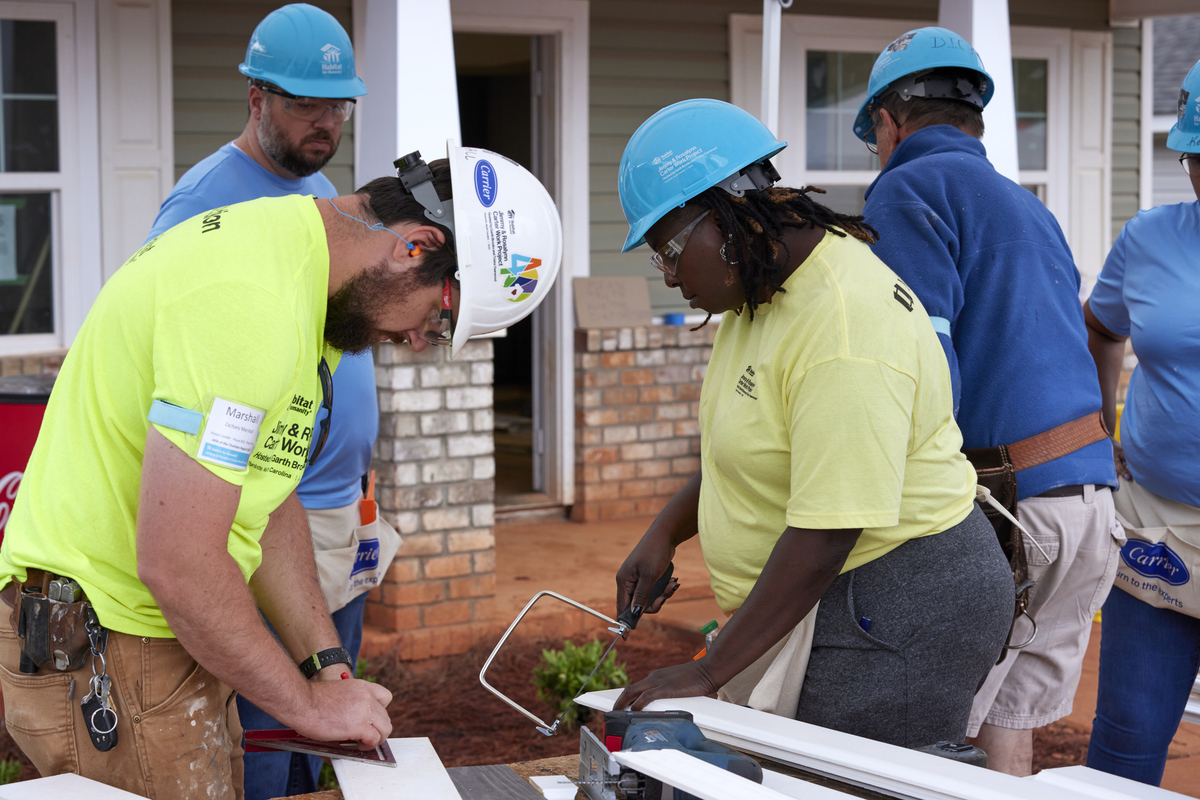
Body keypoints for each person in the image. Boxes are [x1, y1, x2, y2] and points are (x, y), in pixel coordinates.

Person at [0, 147, 562, 799]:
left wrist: (326, 667)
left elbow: (261, 501)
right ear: (416, 246)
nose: (417, 340)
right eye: (440, 318)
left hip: (150, 638)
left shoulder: (299, 279)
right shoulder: (252, 302)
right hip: (113, 642)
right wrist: (308, 706)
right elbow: (179, 561)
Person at [611, 98, 1013, 749]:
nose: (669, 276)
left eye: (670, 251)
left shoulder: (844, 327)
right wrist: (666, 532)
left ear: (729, 213)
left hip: (895, 603)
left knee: (850, 785)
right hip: (837, 597)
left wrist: (711, 670)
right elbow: (748, 449)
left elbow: (829, 531)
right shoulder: (762, 291)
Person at [853, 26, 1122, 776]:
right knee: (1010, 722)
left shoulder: (907, 187)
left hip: (1011, 511)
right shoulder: (1029, 206)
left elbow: (922, 361)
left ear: (889, 121)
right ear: (974, 119)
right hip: (1089, 506)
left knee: (944, 733)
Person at [144, 7, 388, 796]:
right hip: (259, 517)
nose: (326, 124)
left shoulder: (317, 191)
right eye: (304, 105)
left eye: (338, 106)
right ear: (255, 100)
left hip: (333, 508)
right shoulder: (205, 203)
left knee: (327, 716)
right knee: (267, 729)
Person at [1083, 57, 1200, 787]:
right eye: (1197, 157)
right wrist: (1103, 422)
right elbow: (1101, 328)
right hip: (1156, 525)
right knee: (1125, 736)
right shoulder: (1151, 238)